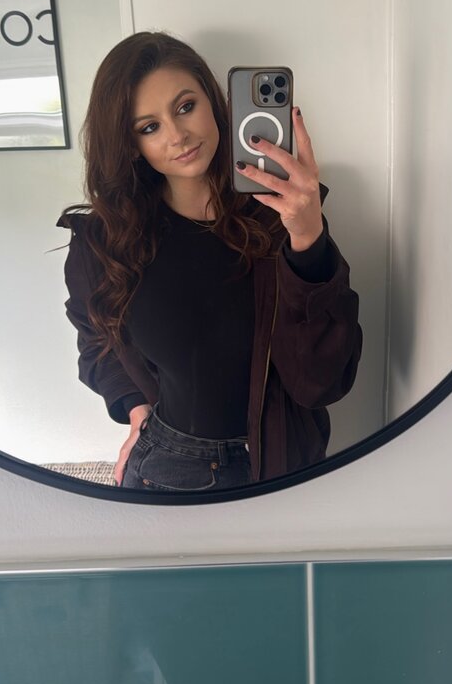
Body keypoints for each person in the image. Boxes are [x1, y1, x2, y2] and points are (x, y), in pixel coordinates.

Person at [57, 31, 362, 492]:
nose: (177, 135)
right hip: (167, 467)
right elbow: (95, 336)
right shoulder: (108, 241)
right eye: (149, 127)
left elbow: (322, 383)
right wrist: (136, 408)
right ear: (130, 143)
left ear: (214, 102)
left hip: (282, 466)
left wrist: (308, 237)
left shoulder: (282, 216)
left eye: (185, 107)